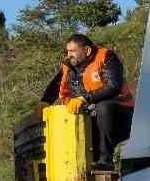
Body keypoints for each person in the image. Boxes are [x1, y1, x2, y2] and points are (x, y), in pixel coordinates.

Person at [41, 33, 136, 166]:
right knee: (67, 116)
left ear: (87, 50)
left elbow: (113, 86)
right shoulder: (70, 65)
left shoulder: (106, 57)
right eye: (68, 51)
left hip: (122, 114)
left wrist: (84, 98)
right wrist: (45, 101)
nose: (69, 55)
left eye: (73, 51)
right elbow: (56, 84)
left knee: (103, 107)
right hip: (91, 113)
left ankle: (105, 161)